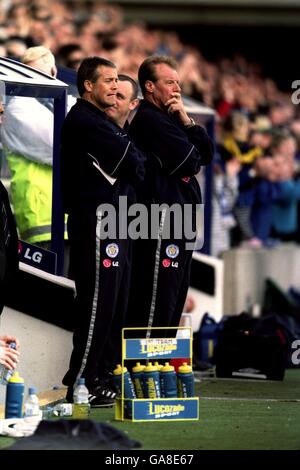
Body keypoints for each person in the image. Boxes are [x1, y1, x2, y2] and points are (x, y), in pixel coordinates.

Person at [60, 57, 145, 406]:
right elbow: (133, 162)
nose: (114, 86)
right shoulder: (84, 120)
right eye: (107, 81)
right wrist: (132, 159)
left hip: (114, 223)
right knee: (97, 305)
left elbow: (136, 164)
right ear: (88, 86)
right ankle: (81, 380)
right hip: (94, 225)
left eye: (116, 81)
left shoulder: (102, 121)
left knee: (115, 302)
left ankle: (100, 374)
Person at [126, 55, 213, 336]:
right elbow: (190, 161)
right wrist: (190, 144)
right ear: (150, 86)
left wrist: (187, 122)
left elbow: (207, 155)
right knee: (157, 299)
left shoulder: (172, 118)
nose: (176, 89)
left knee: (175, 295)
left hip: (180, 218)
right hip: (159, 219)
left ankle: (160, 366)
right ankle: (145, 369)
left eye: (178, 82)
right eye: (169, 82)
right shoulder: (150, 120)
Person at [1, 46, 67, 249]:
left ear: (54, 72)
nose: (39, 82)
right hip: (40, 214)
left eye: (43, 74)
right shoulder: (19, 110)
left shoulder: (63, 102)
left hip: (64, 211)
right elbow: (59, 149)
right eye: (33, 75)